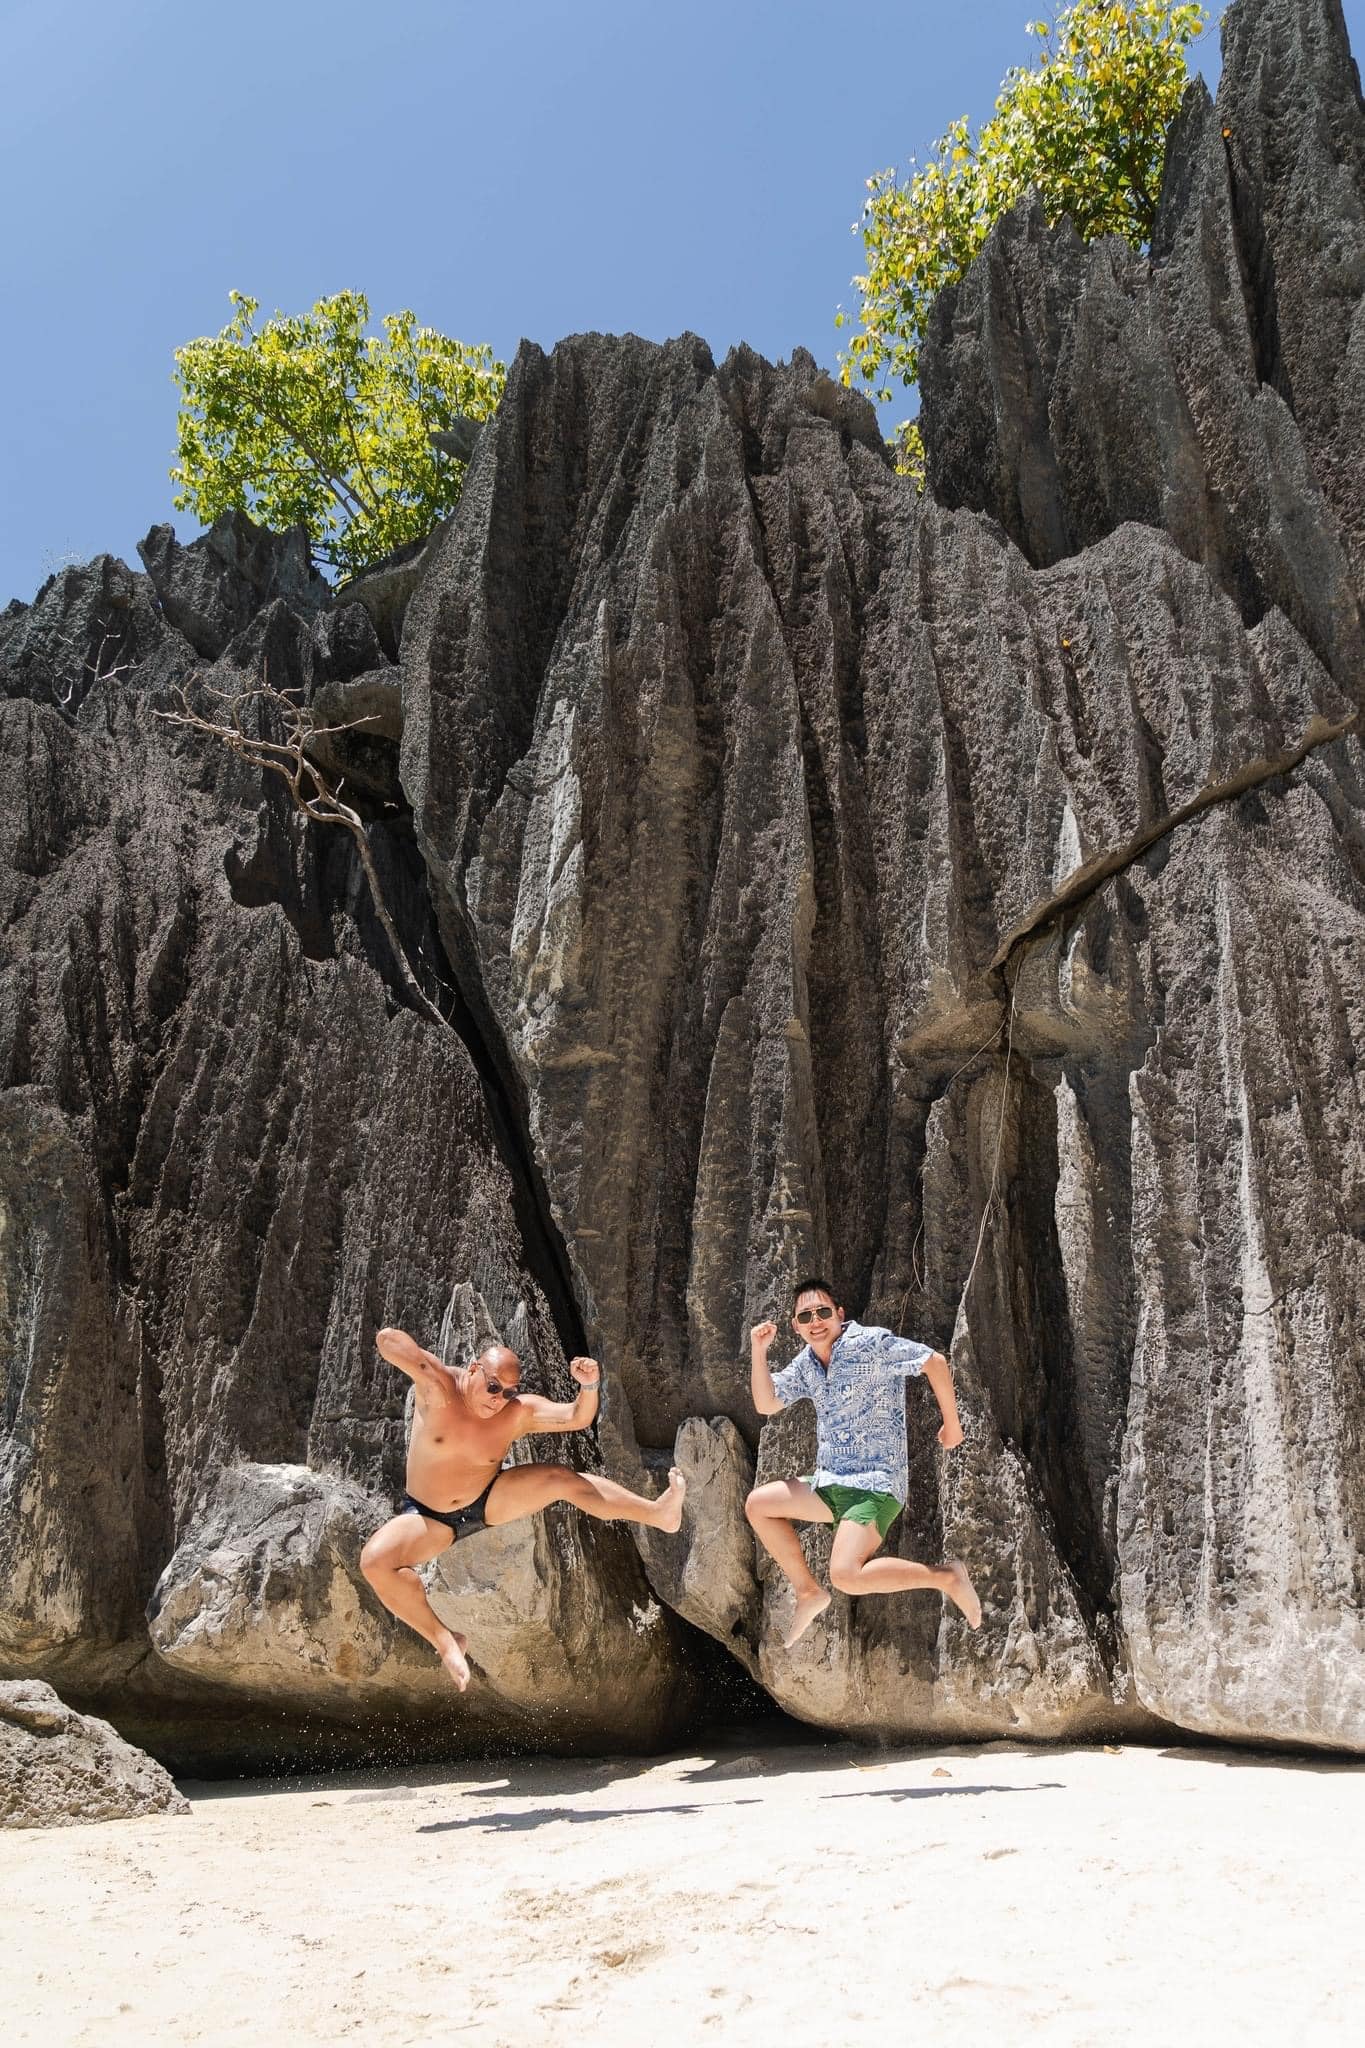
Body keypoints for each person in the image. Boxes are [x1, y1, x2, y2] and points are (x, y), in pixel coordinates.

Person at [360, 1328, 685, 1690]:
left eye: (509, 1392)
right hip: (428, 1517)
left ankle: (658, 1513)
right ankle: (445, 1639)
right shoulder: (438, 1388)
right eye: (493, 1386)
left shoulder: (517, 1412)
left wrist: (589, 1386)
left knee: (561, 1479)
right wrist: (423, 1364)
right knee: (375, 1561)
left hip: (489, 1499)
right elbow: (387, 1339)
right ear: (472, 1371)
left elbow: (577, 1417)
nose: (498, 1399)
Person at [744, 1278, 981, 1648]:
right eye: (805, 1316)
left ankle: (947, 1577)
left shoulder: (869, 1342)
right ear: (796, 1325)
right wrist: (759, 1351)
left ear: (839, 1314)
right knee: (759, 1505)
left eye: (823, 1311)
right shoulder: (807, 1363)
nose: (815, 1320)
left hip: (875, 1483)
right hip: (829, 1483)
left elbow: (933, 1362)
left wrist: (952, 1424)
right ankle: (808, 1592)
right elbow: (766, 1402)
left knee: (846, 1575)